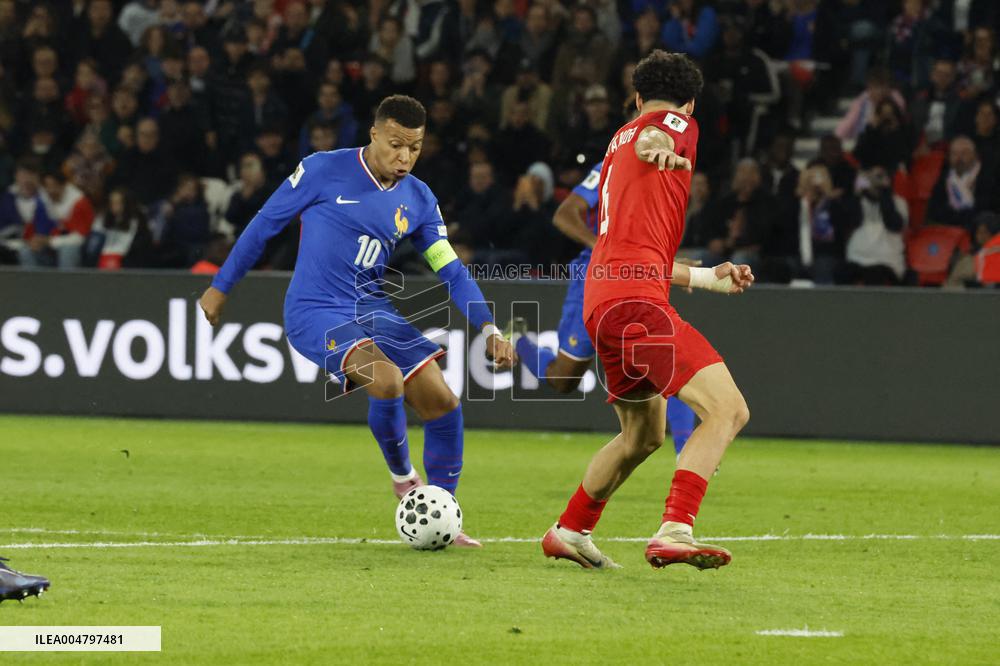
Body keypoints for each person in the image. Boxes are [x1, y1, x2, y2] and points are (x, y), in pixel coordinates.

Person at [198, 95, 515, 548]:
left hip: (373, 309)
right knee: (386, 381)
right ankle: (405, 480)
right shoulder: (322, 169)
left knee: (443, 402)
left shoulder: (420, 199)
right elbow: (264, 224)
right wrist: (220, 286)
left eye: (415, 148)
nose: (404, 157)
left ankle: (439, 514)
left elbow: (451, 270)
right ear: (374, 134)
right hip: (314, 309)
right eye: (395, 144)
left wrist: (490, 328)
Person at [541, 51, 753, 570]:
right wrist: (661, 143)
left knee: (642, 434)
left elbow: (641, 253)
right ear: (689, 101)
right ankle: (676, 529)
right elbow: (658, 134)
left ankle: (570, 529)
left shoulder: (614, 148)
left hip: (606, 299)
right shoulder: (670, 126)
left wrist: (706, 277)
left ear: (634, 97)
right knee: (727, 410)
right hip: (636, 303)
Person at [509, 159, 699, 457]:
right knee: (564, 378)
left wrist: (669, 265)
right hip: (596, 274)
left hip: (637, 276)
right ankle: (518, 339)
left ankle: (688, 450)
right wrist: (604, 250)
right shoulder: (612, 164)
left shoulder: (667, 169)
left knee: (664, 357)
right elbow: (565, 214)